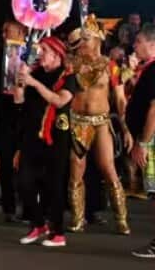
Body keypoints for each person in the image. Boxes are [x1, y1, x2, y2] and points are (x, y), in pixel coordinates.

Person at [66, 16, 131, 234]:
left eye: (87, 38)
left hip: (101, 122)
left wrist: (126, 128)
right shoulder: (72, 64)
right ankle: (78, 218)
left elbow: (120, 100)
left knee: (108, 168)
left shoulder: (111, 66)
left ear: (98, 40)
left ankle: (121, 218)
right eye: (81, 39)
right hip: (77, 122)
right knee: (76, 168)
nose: (83, 42)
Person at [14, 35, 78, 248]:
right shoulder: (36, 73)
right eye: (39, 50)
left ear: (57, 55)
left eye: (45, 50)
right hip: (32, 135)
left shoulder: (68, 76)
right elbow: (19, 101)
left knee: (54, 185)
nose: (40, 54)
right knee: (24, 181)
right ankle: (38, 224)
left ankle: (58, 232)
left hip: (56, 136)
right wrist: (20, 84)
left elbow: (60, 100)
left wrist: (33, 83)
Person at [125, 25, 155, 258]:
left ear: (152, 44)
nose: (134, 46)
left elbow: (154, 109)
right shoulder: (149, 70)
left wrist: (143, 142)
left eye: (138, 42)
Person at [0, 20, 28, 222]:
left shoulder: (33, 53)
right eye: (3, 30)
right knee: (6, 161)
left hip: (27, 113)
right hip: (6, 113)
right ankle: (9, 207)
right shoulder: (0, 56)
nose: (4, 34)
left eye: (8, 30)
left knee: (27, 163)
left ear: (21, 31)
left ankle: (29, 206)